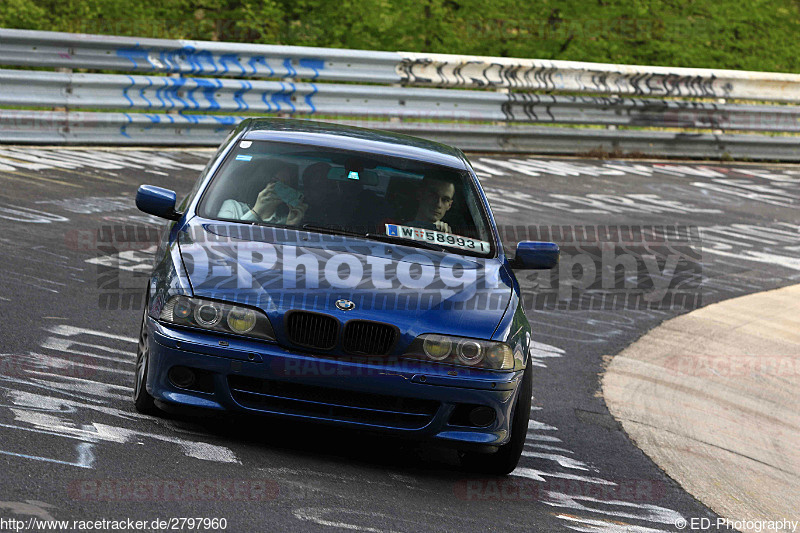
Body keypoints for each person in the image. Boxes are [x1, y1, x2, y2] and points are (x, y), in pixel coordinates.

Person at [217, 160, 308, 226]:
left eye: (285, 184)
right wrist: (256, 211)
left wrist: (290, 226)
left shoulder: (285, 219)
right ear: (261, 181)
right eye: (274, 182)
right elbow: (226, 238)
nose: (280, 188)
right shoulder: (233, 207)